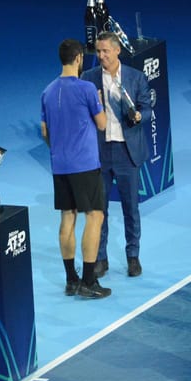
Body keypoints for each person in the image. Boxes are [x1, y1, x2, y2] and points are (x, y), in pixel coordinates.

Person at [41, 39, 111, 299]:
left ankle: (71, 280)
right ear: (79, 58)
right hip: (85, 165)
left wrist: (61, 150)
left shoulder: (47, 91)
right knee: (95, 216)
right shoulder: (87, 88)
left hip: (60, 166)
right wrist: (100, 103)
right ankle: (89, 281)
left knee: (67, 217)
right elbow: (102, 124)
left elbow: (45, 131)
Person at [81, 31, 151, 278]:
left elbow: (147, 108)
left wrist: (140, 116)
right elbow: (83, 115)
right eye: (98, 51)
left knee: (130, 208)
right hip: (99, 153)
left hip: (126, 152)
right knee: (99, 211)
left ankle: (133, 256)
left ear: (117, 50)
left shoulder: (136, 77)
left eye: (106, 51)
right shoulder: (88, 78)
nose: (101, 56)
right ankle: (100, 259)